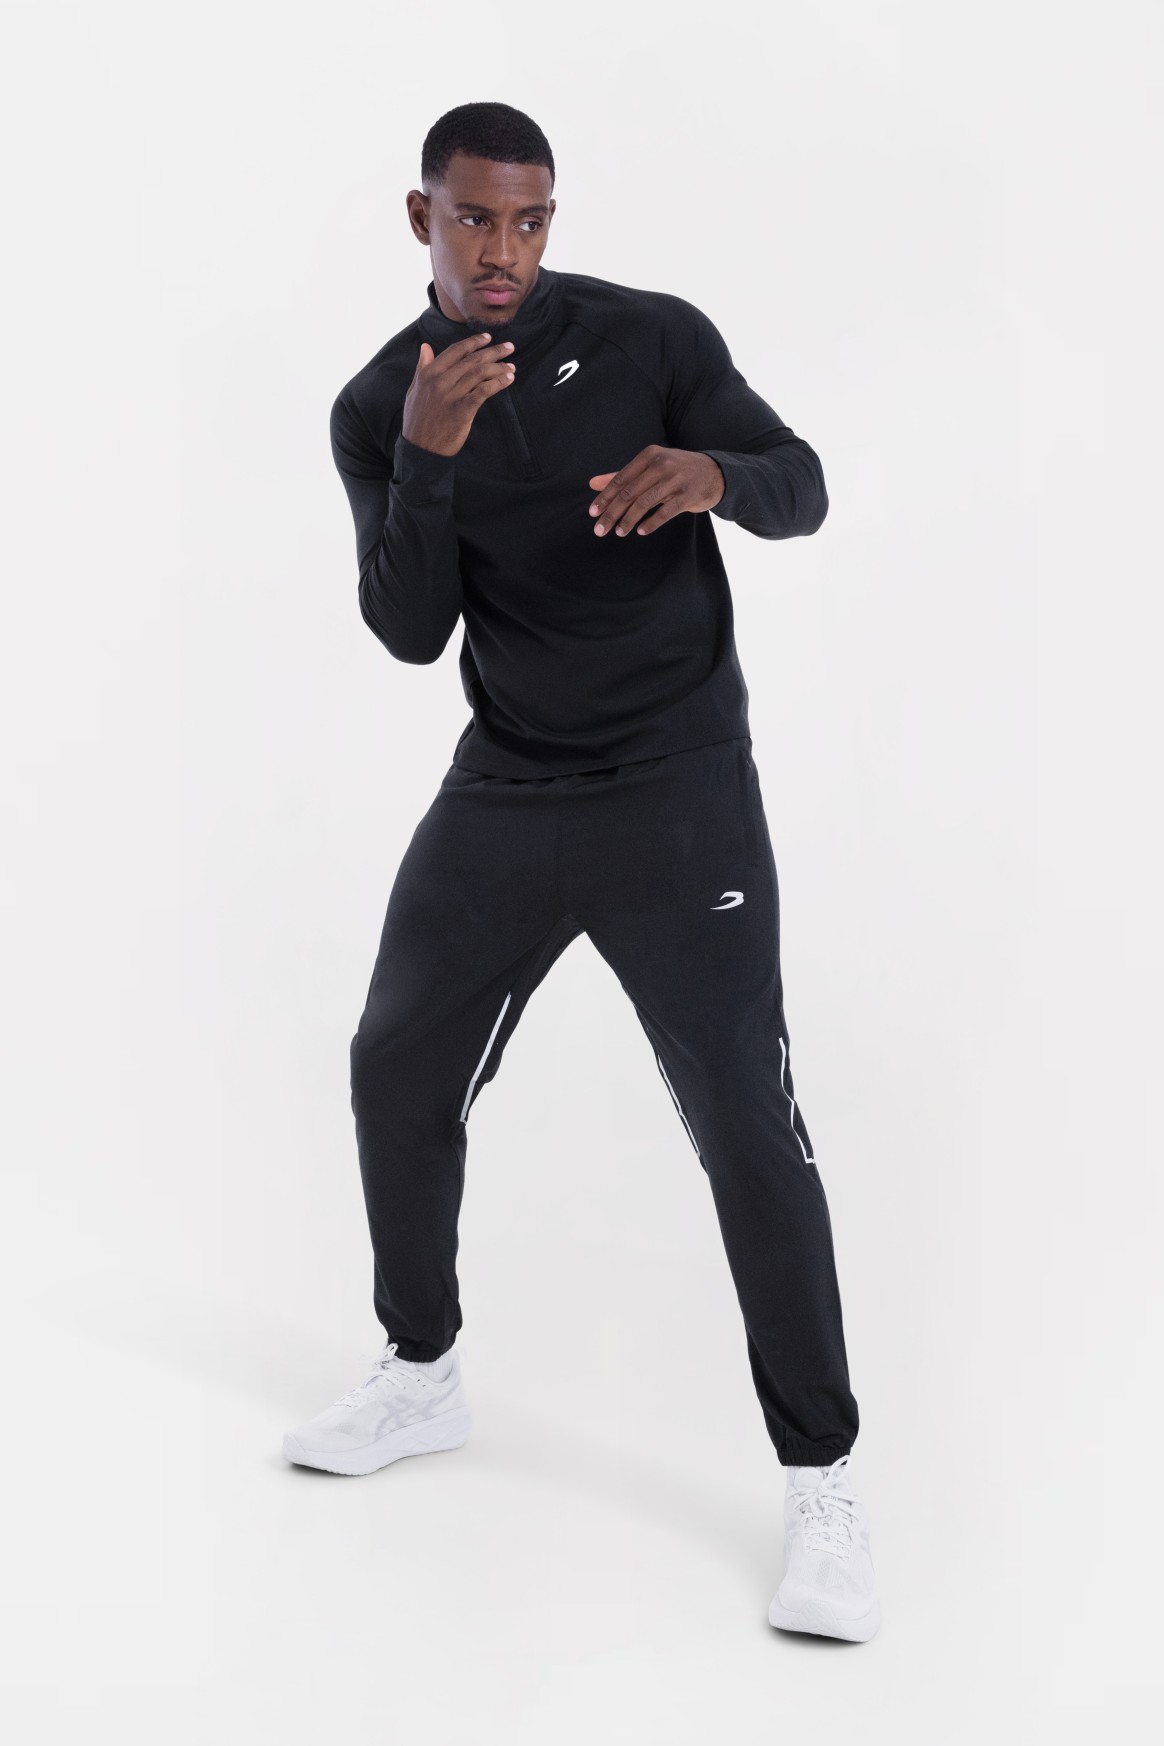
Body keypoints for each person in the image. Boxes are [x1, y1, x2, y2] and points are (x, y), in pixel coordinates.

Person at [283, 101, 880, 1644]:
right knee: (393, 1061)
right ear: (421, 217)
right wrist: (428, 463)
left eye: (532, 219)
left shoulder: (649, 339)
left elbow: (804, 480)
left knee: (745, 1115)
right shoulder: (378, 404)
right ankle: (423, 1371)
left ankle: (823, 1480)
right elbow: (409, 629)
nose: (505, 249)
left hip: (678, 787)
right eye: (477, 217)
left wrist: (713, 475)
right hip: (510, 781)